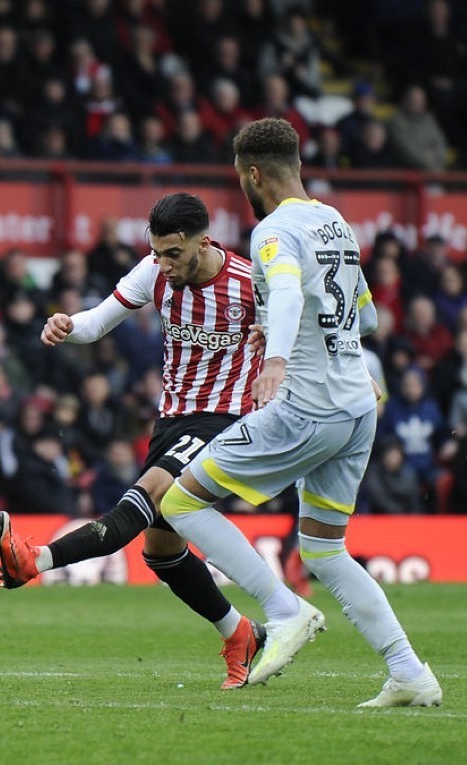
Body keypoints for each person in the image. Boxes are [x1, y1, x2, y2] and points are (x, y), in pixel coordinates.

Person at [156, 118, 440, 706]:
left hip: (306, 408)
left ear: (253, 173)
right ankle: (409, 672)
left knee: (181, 501)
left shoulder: (271, 231)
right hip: (358, 408)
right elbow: (366, 318)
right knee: (325, 549)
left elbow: (286, 292)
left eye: (240, 177)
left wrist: (277, 360)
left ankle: (283, 612)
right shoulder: (334, 222)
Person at [0, 192, 267, 689]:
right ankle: (240, 633)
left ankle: (33, 561)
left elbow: (300, 329)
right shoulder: (154, 272)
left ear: (204, 242)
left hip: (221, 422)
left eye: (173, 254)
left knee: (137, 503)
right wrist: (66, 325)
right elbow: (95, 323)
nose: (163, 263)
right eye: (156, 251)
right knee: (160, 551)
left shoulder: (251, 284)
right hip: (171, 423)